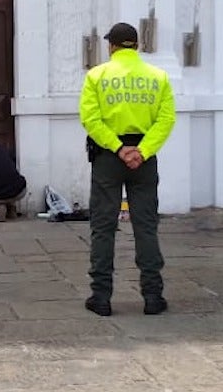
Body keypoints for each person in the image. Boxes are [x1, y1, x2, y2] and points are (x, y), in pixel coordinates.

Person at [79, 22, 176, 317]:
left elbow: (90, 119)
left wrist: (118, 148)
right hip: (144, 159)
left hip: (109, 158)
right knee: (146, 226)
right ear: (137, 45)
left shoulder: (97, 76)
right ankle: (153, 296)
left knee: (103, 227)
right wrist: (142, 151)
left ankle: (101, 297)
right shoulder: (158, 77)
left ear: (111, 46)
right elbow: (166, 119)